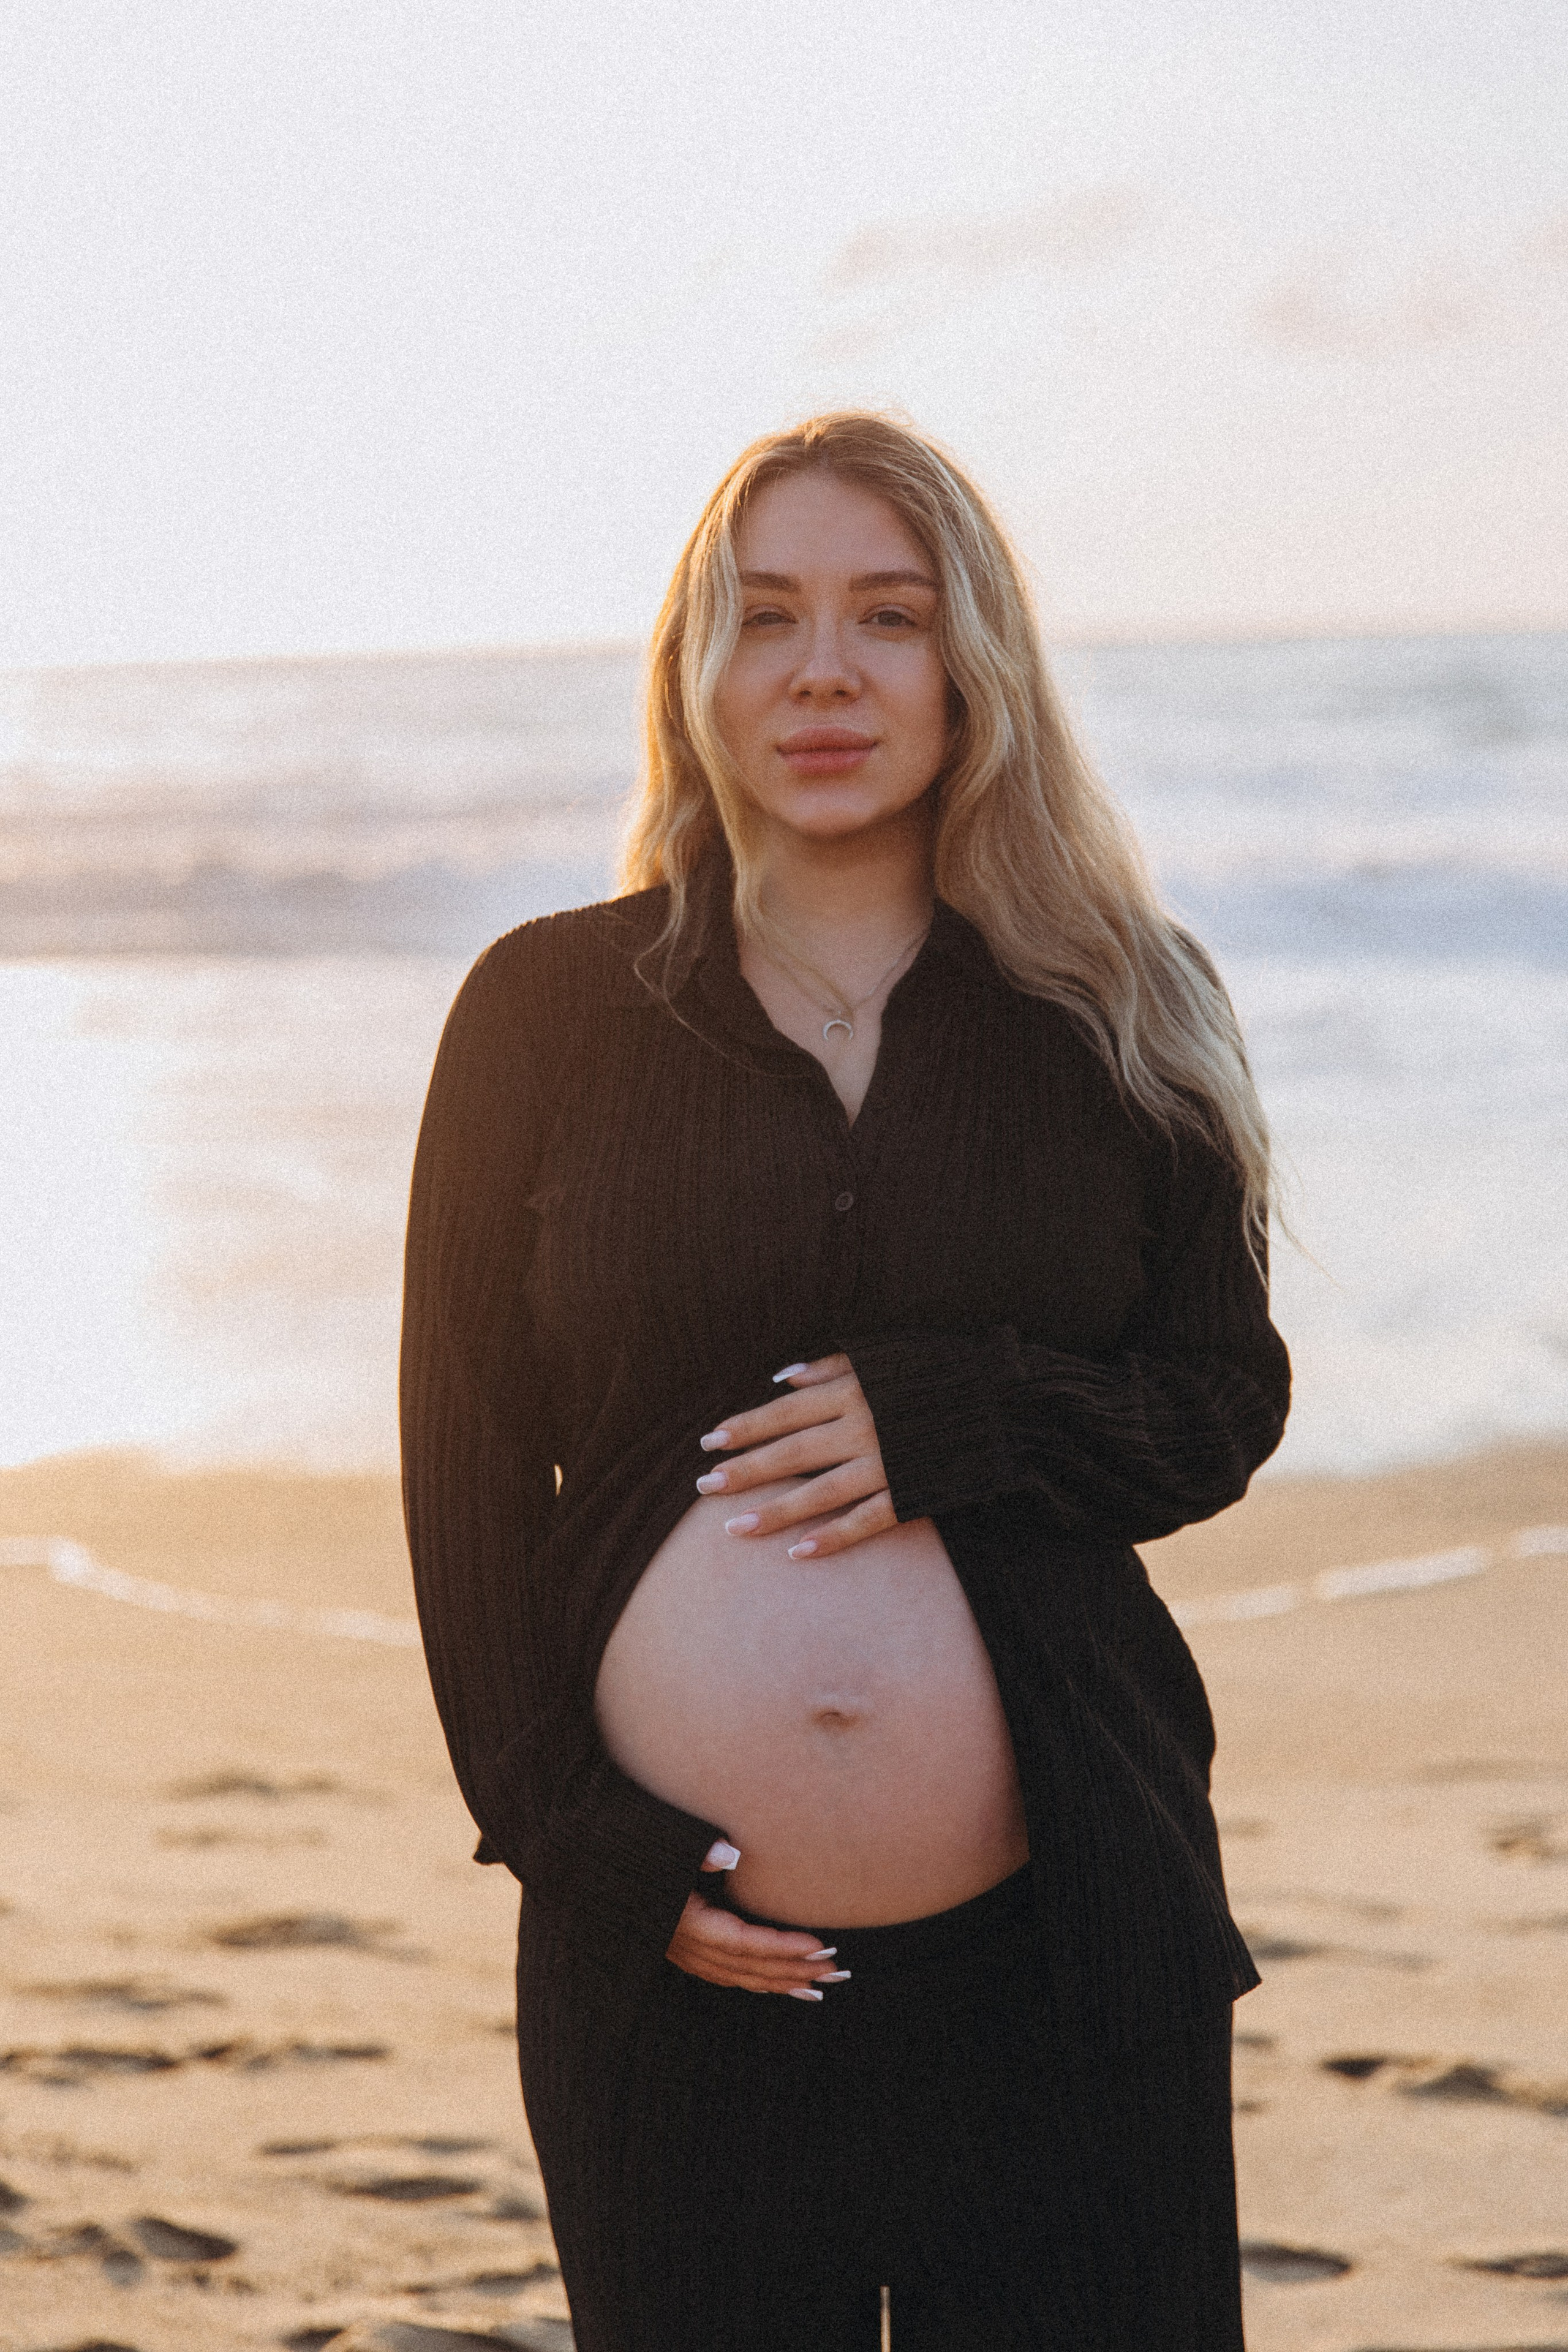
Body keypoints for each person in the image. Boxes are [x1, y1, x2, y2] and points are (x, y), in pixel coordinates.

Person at [401, 411, 1291, 2351]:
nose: (823, 670)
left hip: (1072, 1948)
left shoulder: (1125, 1005)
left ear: (973, 667)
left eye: (888, 616)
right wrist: (580, 1842)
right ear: (694, 674)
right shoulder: (545, 1012)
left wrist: (969, 1409)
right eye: (767, 616)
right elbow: (464, 1487)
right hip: (679, 1973)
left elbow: (1221, 1402)